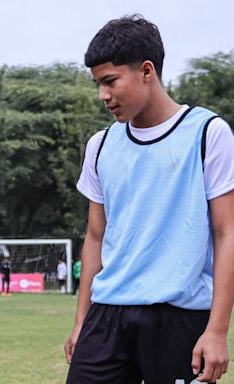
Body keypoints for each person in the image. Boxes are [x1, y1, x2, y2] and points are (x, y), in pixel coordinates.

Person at [64, 15, 234, 384]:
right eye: (97, 84)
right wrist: (81, 320)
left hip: (179, 316)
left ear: (146, 71)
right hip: (107, 315)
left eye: (110, 82)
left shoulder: (208, 134)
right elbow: (95, 237)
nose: (103, 96)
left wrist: (218, 330)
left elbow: (227, 234)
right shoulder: (101, 145)